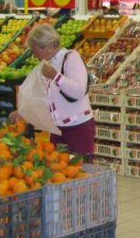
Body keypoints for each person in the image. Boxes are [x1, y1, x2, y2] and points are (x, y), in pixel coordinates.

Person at [10, 24, 95, 162]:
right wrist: (23, 112)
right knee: (57, 167)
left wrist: (56, 77)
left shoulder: (71, 58)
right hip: (58, 128)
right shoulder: (50, 64)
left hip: (78, 126)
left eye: (35, 50)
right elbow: (47, 98)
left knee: (80, 168)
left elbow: (79, 91)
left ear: (48, 46)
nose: (35, 55)